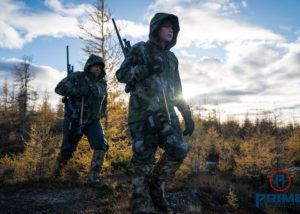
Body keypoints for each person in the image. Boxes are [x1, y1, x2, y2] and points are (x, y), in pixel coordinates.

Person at [116, 13, 194, 213]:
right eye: (167, 26)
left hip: (167, 115)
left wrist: (186, 112)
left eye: (173, 28)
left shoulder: (172, 58)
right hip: (143, 115)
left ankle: (156, 189)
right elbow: (121, 75)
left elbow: (177, 89)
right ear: (156, 28)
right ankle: (140, 202)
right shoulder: (140, 49)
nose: (171, 30)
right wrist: (147, 68)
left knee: (179, 150)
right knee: (143, 160)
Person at [54, 54, 108, 189]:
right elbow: (59, 88)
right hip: (74, 119)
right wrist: (78, 91)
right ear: (89, 67)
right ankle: (57, 174)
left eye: (100, 67)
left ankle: (93, 179)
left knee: (101, 145)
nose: (97, 69)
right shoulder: (77, 76)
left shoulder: (102, 83)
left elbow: (105, 100)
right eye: (95, 66)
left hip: (93, 121)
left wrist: (101, 114)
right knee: (67, 149)